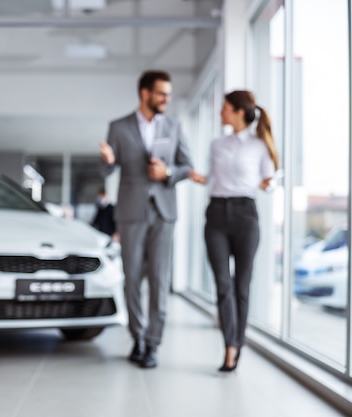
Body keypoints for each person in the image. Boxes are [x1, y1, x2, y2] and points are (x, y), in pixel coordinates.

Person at [99, 69, 193, 368]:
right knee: (132, 278)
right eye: (162, 93)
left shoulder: (174, 126)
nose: (167, 98)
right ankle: (137, 337)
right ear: (145, 94)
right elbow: (106, 172)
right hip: (130, 211)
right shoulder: (119, 127)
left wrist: (167, 173)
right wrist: (108, 162)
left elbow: (187, 166)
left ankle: (153, 343)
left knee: (159, 279)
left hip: (164, 212)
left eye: (168, 93)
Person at [189, 90, 278, 372]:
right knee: (222, 285)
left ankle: (237, 344)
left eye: (225, 107)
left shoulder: (260, 145)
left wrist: (269, 184)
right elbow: (213, 178)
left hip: (245, 215)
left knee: (241, 285)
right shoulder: (217, 144)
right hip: (216, 213)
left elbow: (271, 178)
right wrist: (200, 178)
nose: (220, 112)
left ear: (239, 111)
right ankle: (229, 345)